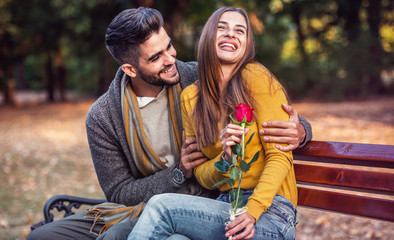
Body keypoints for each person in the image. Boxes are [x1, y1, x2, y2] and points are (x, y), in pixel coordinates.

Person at [27, 7, 311, 240]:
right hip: (149, 206)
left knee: (122, 235)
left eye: (169, 46)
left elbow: (273, 119)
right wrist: (181, 171)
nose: (171, 59)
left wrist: (302, 131)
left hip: (222, 205)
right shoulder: (106, 116)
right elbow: (119, 193)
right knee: (42, 237)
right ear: (129, 69)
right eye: (156, 57)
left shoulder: (197, 75)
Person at [128, 6, 301, 240]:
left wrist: (252, 211)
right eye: (222, 27)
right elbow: (200, 174)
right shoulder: (191, 97)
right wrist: (226, 160)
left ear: (247, 44)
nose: (230, 34)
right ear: (209, 36)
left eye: (240, 31)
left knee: (161, 207)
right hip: (224, 206)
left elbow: (280, 156)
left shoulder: (256, 77)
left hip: (271, 213)